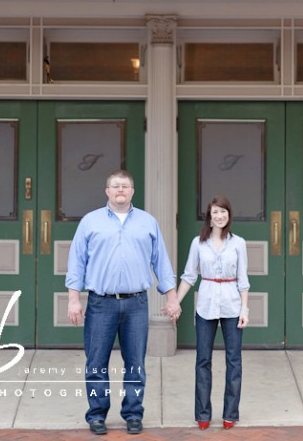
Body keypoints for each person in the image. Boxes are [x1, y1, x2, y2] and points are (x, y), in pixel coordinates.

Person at [65, 169, 180, 436]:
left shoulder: (147, 222)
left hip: (136, 304)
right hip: (100, 304)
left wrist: (172, 297)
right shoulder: (90, 222)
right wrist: (73, 299)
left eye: (125, 186)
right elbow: (77, 262)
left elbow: (161, 262)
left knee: (135, 364)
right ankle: (97, 415)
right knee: (96, 363)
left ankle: (133, 414)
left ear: (132, 191)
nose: (120, 190)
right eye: (115, 186)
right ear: (107, 191)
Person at [172, 195, 249, 430]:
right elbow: (189, 276)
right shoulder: (198, 243)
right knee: (203, 360)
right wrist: (175, 302)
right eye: (215, 212)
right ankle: (202, 414)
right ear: (209, 216)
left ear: (229, 215)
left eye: (223, 211)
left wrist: (244, 309)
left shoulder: (238, 243)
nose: (219, 216)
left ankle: (230, 413)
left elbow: (243, 279)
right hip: (206, 306)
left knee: (234, 360)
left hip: (232, 305)